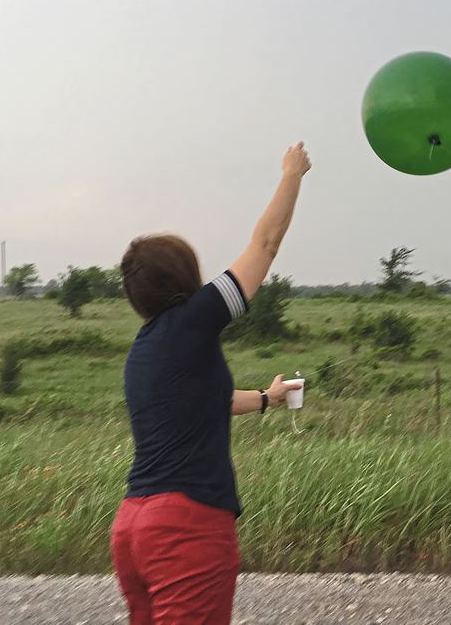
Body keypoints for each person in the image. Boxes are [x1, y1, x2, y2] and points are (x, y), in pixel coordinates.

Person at [110, 142, 311, 625]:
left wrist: (267, 399)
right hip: (187, 527)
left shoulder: (145, 351)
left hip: (134, 527)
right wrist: (292, 174)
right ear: (186, 278)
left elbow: (209, 404)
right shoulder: (192, 321)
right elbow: (264, 246)